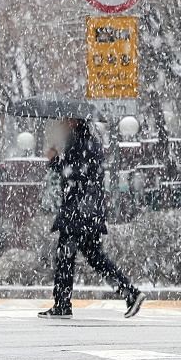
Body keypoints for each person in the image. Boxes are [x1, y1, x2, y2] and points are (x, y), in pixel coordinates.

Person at [38, 117, 146, 320]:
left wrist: (55, 161)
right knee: (92, 257)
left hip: (79, 212)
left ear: (74, 121)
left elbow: (76, 174)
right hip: (86, 211)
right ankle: (129, 293)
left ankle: (63, 304)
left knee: (66, 256)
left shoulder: (81, 142)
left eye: (64, 120)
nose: (61, 123)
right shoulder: (84, 140)